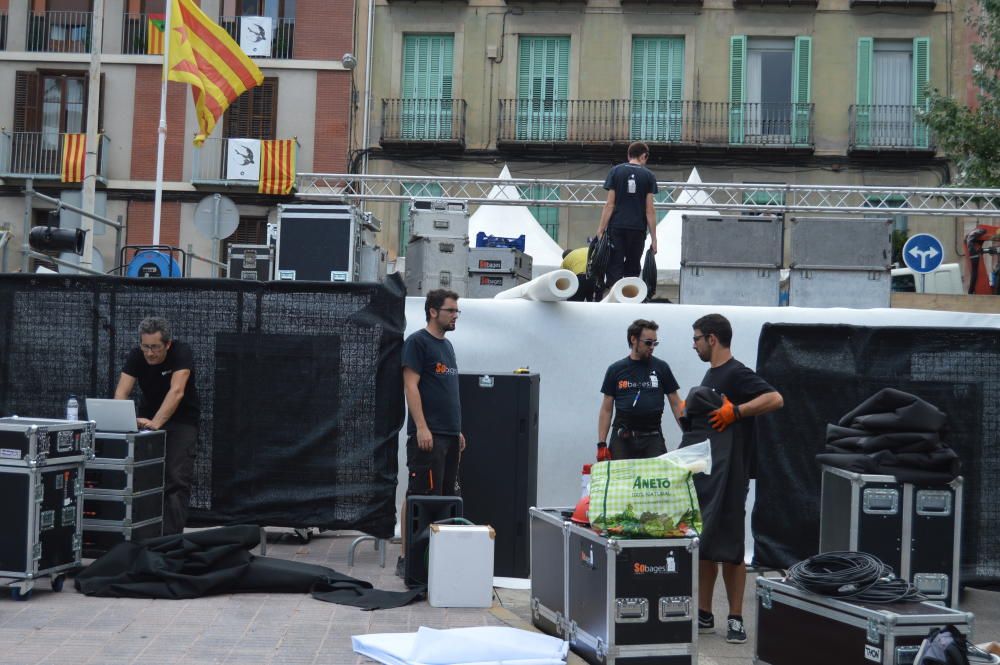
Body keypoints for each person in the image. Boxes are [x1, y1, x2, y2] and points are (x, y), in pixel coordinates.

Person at [690, 313, 783, 644]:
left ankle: (735, 618)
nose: (695, 344)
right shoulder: (713, 373)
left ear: (712, 339)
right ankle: (703, 614)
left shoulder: (737, 372)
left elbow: (775, 399)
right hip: (710, 475)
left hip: (733, 476)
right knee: (705, 542)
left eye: (697, 338)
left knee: (730, 548)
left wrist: (737, 411)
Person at [397, 290, 467, 575]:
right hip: (428, 437)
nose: (455, 316)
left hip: (449, 435)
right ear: (433, 312)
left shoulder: (447, 347)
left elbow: (447, 392)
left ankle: (439, 562)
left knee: (445, 498)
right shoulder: (417, 343)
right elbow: (410, 386)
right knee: (419, 497)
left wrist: (457, 431)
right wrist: (422, 427)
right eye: (451, 311)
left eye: (456, 311)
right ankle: (408, 559)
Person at [114, 317, 200, 536]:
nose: (150, 353)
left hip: (181, 421)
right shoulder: (136, 355)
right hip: (147, 418)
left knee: (176, 478)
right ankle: (142, 535)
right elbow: (121, 393)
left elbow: (177, 391)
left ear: (167, 344)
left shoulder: (181, 352)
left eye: (155, 347)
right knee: (142, 476)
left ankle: (170, 540)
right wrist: (127, 420)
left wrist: (156, 423)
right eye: (146, 347)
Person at [597, 319, 683, 461]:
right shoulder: (616, 369)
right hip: (622, 438)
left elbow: (676, 403)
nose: (652, 347)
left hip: (652, 437)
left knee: (655, 479)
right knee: (623, 482)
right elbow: (606, 409)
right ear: (634, 339)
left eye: (655, 343)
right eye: (648, 342)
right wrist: (601, 443)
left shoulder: (661, 367)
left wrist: (688, 433)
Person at [596, 141, 658, 289]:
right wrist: (654, 238)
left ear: (629, 155)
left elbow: (609, 204)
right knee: (632, 269)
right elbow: (650, 210)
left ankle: (613, 303)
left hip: (617, 227)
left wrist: (601, 229)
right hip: (637, 229)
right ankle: (629, 303)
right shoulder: (649, 176)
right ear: (644, 156)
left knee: (614, 268)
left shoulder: (615, 171)